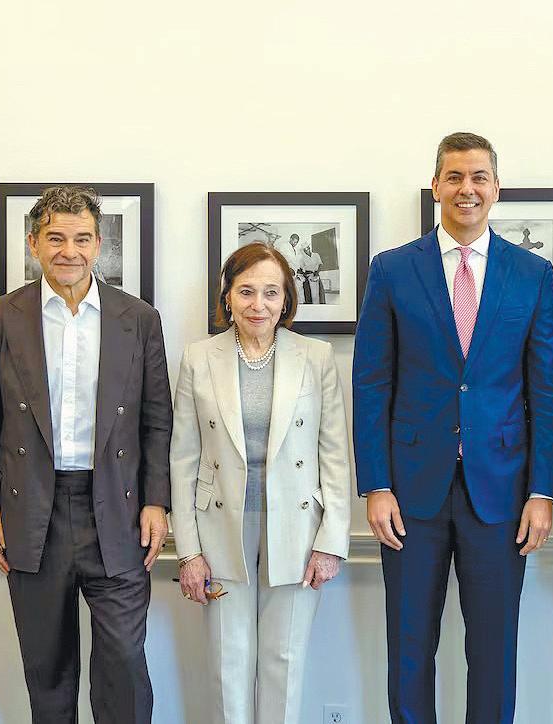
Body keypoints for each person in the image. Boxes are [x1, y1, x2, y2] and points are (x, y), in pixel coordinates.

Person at [353, 131, 553, 724]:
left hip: (502, 494)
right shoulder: (393, 269)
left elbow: (547, 392)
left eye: (478, 177)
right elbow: (371, 384)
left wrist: (543, 491)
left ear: (496, 188)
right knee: (409, 646)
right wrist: (376, 485)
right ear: (436, 186)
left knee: (494, 650)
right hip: (409, 493)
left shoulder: (531, 273)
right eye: (454, 177)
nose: (466, 189)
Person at [0, 186, 172, 723]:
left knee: (123, 661)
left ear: (98, 244)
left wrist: (156, 501)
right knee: (49, 669)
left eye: (82, 239)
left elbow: (157, 419)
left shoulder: (139, 318)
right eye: (56, 238)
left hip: (118, 508)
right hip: (33, 508)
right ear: (33, 243)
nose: (69, 251)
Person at [171, 241, 351, 724]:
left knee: (284, 662)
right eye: (246, 291)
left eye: (271, 292)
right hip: (219, 527)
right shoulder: (198, 358)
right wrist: (188, 551)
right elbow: (183, 459)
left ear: (286, 298)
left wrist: (331, 542)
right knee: (227, 665)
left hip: (297, 528)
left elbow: (334, 454)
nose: (259, 304)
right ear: (227, 296)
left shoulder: (315, 357)